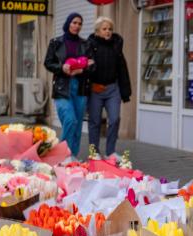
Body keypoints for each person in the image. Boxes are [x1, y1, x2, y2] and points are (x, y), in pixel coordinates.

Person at [44, 12, 94, 160]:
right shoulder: (56, 42)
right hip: (62, 87)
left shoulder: (86, 44)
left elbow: (92, 65)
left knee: (77, 125)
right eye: (74, 22)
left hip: (80, 87)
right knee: (70, 120)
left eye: (79, 23)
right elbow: (48, 62)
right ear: (68, 23)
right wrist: (62, 67)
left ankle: (72, 156)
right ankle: (63, 155)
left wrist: (80, 69)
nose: (77, 26)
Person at [86, 16, 131, 159]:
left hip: (112, 89)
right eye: (104, 29)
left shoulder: (116, 46)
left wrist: (125, 92)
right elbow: (85, 68)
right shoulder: (90, 45)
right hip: (95, 89)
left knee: (115, 119)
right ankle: (94, 153)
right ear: (97, 31)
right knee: (95, 121)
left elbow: (122, 69)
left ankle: (110, 151)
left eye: (110, 29)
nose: (108, 32)